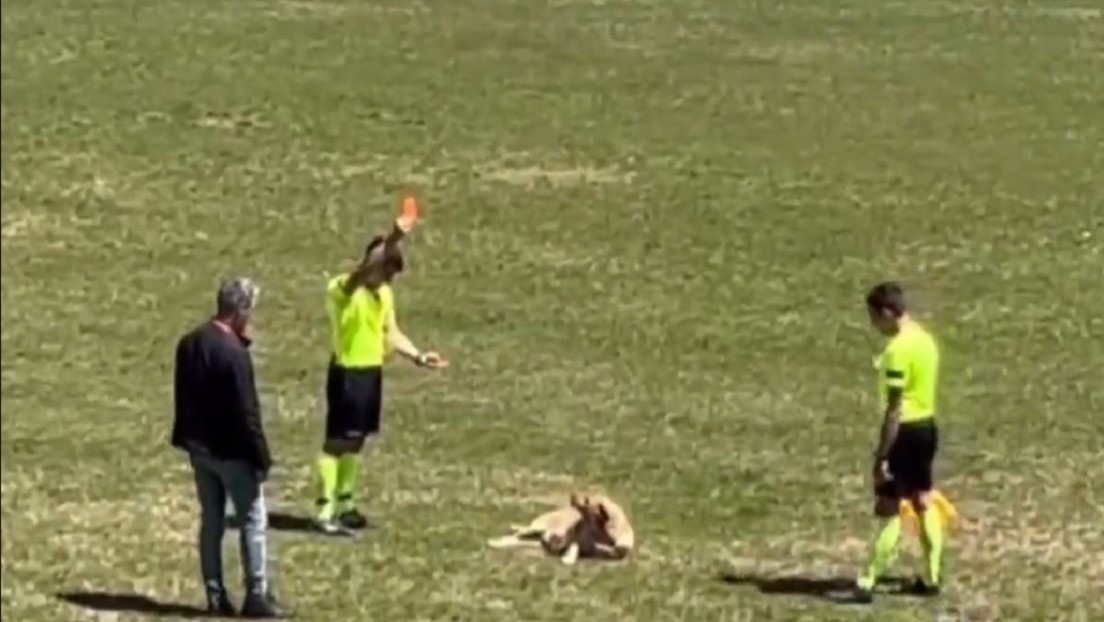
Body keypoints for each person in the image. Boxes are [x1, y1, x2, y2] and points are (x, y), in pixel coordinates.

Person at [312, 210, 448, 535]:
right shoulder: (344, 289)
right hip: (347, 373)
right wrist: (395, 237)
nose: (388, 280)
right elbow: (362, 272)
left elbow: (391, 333)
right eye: (386, 270)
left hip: (371, 374)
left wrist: (418, 356)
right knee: (338, 442)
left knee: (357, 440)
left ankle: (345, 504)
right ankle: (324, 509)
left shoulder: (384, 295)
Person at [172, 278, 290, 618]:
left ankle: (215, 595)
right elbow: (247, 412)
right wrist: (261, 457)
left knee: (211, 520)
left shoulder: (190, 342)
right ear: (240, 310)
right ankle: (256, 594)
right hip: (232, 452)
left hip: (201, 449)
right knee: (253, 518)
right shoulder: (234, 354)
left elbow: (183, 396)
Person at [853, 282, 944, 603]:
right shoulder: (925, 340)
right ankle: (933, 576)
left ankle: (868, 580)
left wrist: (881, 456)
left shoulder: (896, 352)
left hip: (903, 432)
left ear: (887, 312)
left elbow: (894, 409)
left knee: (889, 507)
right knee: (923, 498)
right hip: (927, 427)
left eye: (874, 318)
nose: (874, 325)